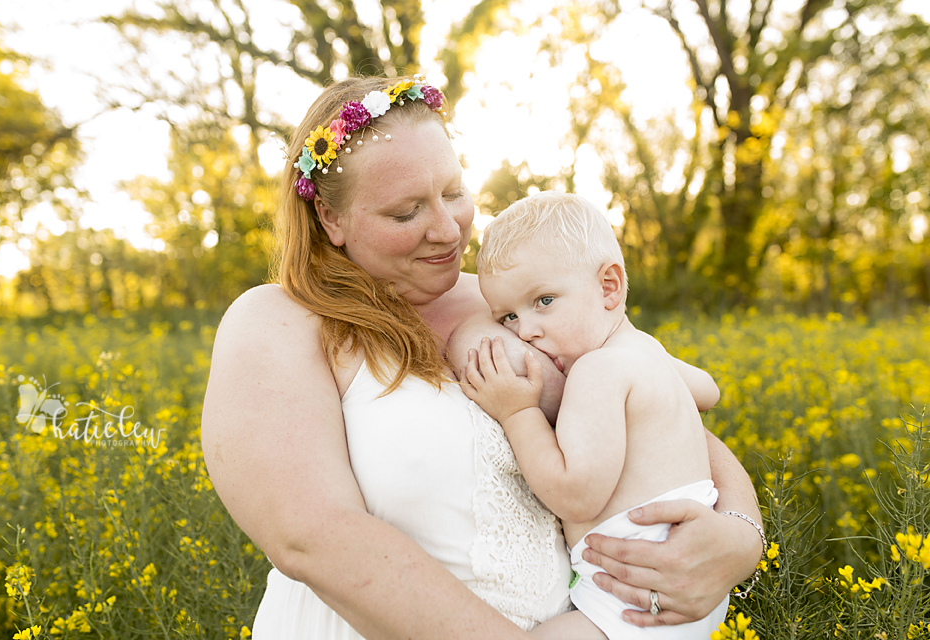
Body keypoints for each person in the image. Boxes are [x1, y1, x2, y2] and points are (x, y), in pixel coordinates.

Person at [199, 74, 764, 640]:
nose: (447, 230)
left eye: (452, 193)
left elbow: (659, 409)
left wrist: (740, 538)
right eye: (405, 213)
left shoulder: (523, 302)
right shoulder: (278, 320)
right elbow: (315, 537)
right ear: (331, 218)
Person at [458, 192, 730, 639]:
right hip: (680, 584)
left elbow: (574, 495)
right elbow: (709, 390)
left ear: (609, 286)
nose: (525, 331)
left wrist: (517, 412)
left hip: (628, 600)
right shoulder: (644, 350)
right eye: (507, 316)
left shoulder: (596, 371)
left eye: (543, 301)